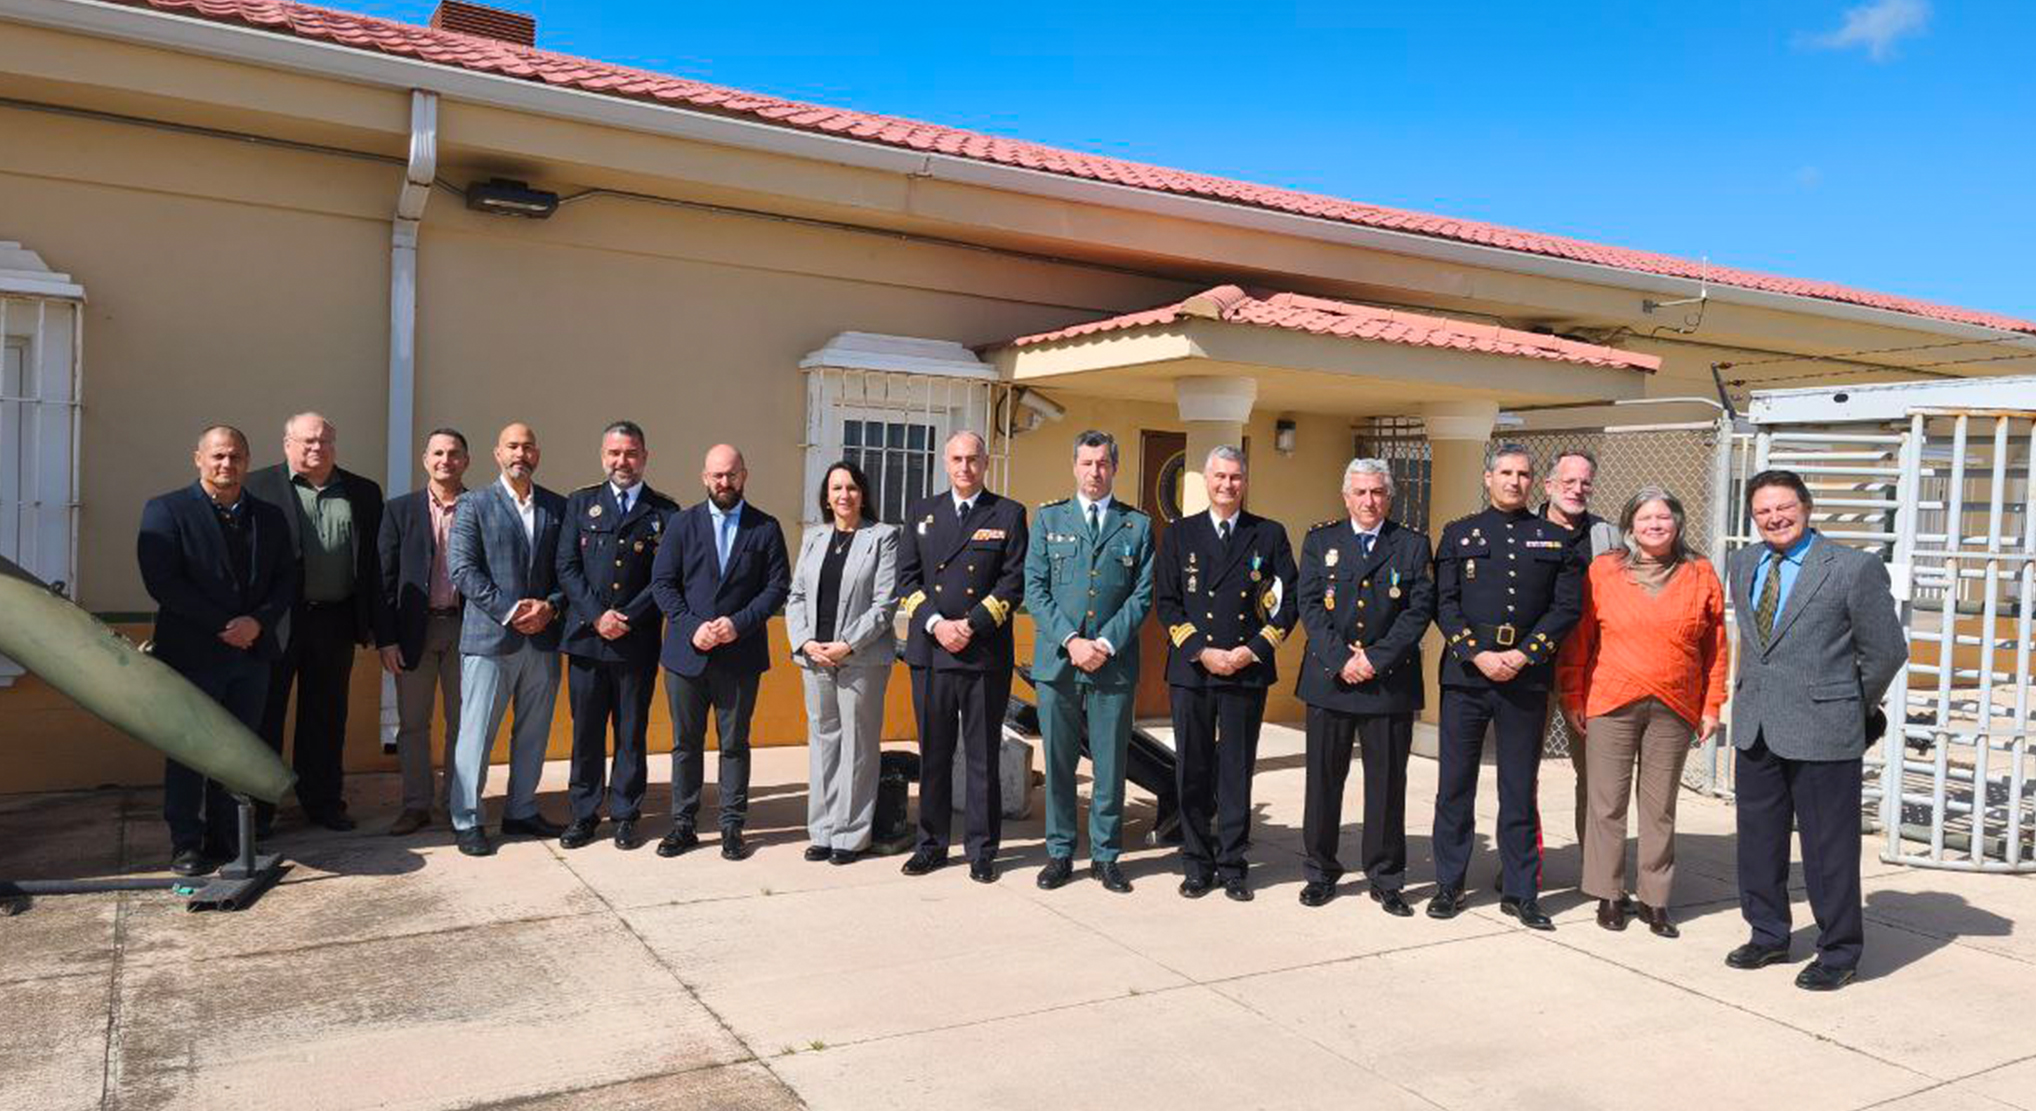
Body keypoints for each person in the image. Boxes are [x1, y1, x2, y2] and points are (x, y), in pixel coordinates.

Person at [1725, 470, 1905, 991]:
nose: (1774, 518)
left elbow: (1886, 652)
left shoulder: (1852, 568)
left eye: (1784, 508)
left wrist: (1850, 706)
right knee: (1757, 841)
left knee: (1829, 848)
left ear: (1807, 508)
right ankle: (1767, 934)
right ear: (1753, 517)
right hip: (1756, 726)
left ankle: (1840, 951)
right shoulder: (1742, 563)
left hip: (1826, 730)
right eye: (1763, 511)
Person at [1556, 487, 1727, 937]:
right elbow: (1579, 640)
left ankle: (1655, 899)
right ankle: (1608, 894)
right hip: (1610, 699)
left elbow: (1716, 647)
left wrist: (1712, 704)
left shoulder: (1700, 572)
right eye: (1645, 518)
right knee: (1605, 803)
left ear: (1677, 524)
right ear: (1629, 526)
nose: (1655, 525)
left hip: (1675, 704)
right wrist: (1572, 696)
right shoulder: (1604, 571)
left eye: (1664, 518)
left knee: (1659, 808)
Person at [1429, 444, 1583, 929]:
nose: (1514, 481)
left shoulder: (1554, 539)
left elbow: (1565, 608)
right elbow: (1444, 603)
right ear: (1487, 477)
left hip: (1525, 678)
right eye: (1505, 473)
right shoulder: (1458, 534)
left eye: (1523, 474)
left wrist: (1523, 654)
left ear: (1533, 482)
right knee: (1455, 787)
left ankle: (1521, 892)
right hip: (1467, 677)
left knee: (1518, 789)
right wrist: (1478, 653)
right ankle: (1449, 885)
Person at [137, 426, 295, 875]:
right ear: (199, 458)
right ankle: (186, 843)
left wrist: (256, 623)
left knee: (236, 751)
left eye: (236, 457)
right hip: (192, 654)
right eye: (219, 456)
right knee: (189, 751)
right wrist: (224, 625)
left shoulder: (269, 516)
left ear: (247, 460)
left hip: (251, 655)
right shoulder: (166, 510)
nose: (227, 465)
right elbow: (162, 581)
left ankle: (227, 838)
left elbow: (286, 578)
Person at [1154, 445, 1297, 902]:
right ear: (1206, 480)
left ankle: (1233, 865)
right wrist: (1202, 650)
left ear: (1245, 481)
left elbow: (1288, 602)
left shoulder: (1268, 535)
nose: (1227, 485)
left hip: (1245, 670)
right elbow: (1167, 601)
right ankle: (1196, 863)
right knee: (1192, 770)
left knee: (1236, 772)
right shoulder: (1179, 534)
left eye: (1235, 477)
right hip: (1194, 670)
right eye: (1219, 477)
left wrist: (1251, 650)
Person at [1294, 458, 1435, 916]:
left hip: (1387, 683)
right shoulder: (1320, 540)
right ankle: (1319, 871)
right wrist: (1342, 659)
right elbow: (1309, 606)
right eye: (1360, 492)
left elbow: (1418, 610)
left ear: (1389, 497)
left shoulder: (1412, 545)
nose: (1369, 501)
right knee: (1322, 783)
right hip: (1329, 680)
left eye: (1377, 492)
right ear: (1345, 495)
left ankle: (1386, 876)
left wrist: (1375, 659)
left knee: (1388, 785)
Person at [245, 412, 395, 832]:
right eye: (307, 441)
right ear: (287, 443)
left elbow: (374, 568)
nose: (317, 449)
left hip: (335, 621)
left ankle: (324, 802)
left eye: (325, 441)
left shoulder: (362, 492)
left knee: (326, 718)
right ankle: (259, 811)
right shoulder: (259, 487)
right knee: (266, 717)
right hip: (275, 623)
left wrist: (379, 629)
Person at [1024, 431, 1155, 894]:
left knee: (1110, 763)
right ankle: (1060, 853)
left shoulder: (1135, 525)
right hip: (1059, 663)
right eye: (1086, 463)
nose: (1094, 472)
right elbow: (1034, 590)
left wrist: (1103, 643)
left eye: (1102, 463)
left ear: (1114, 468)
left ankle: (1106, 855)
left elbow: (1142, 596)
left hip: (1112, 664)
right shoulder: (1047, 519)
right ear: (1074, 466)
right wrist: (1072, 641)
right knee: (1059, 763)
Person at [895, 431, 1028, 883]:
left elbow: (1012, 584)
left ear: (985, 463)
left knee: (981, 756)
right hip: (931, 653)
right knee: (933, 753)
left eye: (972, 459)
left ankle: (982, 849)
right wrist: (938, 625)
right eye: (957, 459)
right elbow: (906, 581)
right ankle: (930, 845)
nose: (965, 467)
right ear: (945, 463)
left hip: (983, 653)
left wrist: (970, 625)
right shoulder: (922, 513)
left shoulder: (1008, 514)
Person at [650, 444, 790, 861]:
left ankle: (732, 826)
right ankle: (684, 825)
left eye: (730, 475)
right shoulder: (681, 524)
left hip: (740, 655)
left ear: (744, 475)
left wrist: (738, 624)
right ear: (703, 477)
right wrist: (694, 628)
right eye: (716, 476)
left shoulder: (765, 527)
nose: (723, 483)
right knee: (685, 744)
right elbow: (663, 584)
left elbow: (777, 587)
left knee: (734, 744)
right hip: (686, 655)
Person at [444, 422, 568, 857]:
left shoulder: (557, 506)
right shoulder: (474, 504)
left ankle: (520, 810)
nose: (521, 453)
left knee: (533, 732)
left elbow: (566, 573)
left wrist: (550, 606)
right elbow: (462, 570)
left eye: (528, 446)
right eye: (512, 446)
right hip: (489, 640)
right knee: (476, 734)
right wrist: (512, 610)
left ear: (537, 454)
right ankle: (468, 818)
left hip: (543, 641)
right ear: (497, 453)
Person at [555, 421, 679, 852]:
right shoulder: (580, 503)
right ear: (602, 456)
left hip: (635, 640)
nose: (621, 461)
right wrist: (596, 615)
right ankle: (584, 814)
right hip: (587, 639)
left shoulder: (665, 513)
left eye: (630, 453)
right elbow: (567, 567)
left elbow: (666, 577)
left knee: (631, 731)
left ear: (645, 457)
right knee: (586, 732)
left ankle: (626, 814)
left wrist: (625, 615)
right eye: (614, 453)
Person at [785, 461, 899, 865]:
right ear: (826, 496)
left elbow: (884, 603)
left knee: (858, 747)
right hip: (815, 659)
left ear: (863, 493)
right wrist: (805, 642)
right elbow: (796, 596)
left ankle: (850, 836)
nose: (844, 495)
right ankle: (822, 830)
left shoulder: (883, 537)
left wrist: (847, 644)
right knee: (823, 744)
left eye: (851, 487)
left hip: (862, 659)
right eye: (836, 488)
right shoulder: (814, 538)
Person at [376, 427, 472, 836]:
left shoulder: (480, 506)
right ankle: (415, 804)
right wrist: (386, 638)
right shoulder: (400, 510)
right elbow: (383, 577)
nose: (445, 460)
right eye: (437, 453)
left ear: (465, 461)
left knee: (463, 723)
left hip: (467, 631)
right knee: (413, 723)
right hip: (414, 632)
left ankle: (457, 803)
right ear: (425, 459)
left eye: (453, 453)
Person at [1538, 448, 1620, 846]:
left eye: (1585, 482)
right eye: (1568, 481)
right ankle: (1523, 866)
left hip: (1590, 674)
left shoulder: (1607, 536)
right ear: (1549, 485)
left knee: (1595, 775)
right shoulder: (1522, 529)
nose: (1577, 489)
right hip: (1531, 669)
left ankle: (1597, 868)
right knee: (1522, 774)